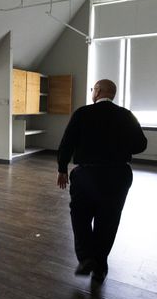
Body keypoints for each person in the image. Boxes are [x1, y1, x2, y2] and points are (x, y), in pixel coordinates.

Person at [57, 79, 147, 283]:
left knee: (80, 215)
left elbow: (67, 143)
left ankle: (86, 257)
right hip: (118, 175)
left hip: (86, 174)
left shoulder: (82, 113)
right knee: (109, 219)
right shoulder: (126, 115)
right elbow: (141, 145)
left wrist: (62, 168)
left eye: (93, 89)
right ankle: (100, 266)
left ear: (97, 91)